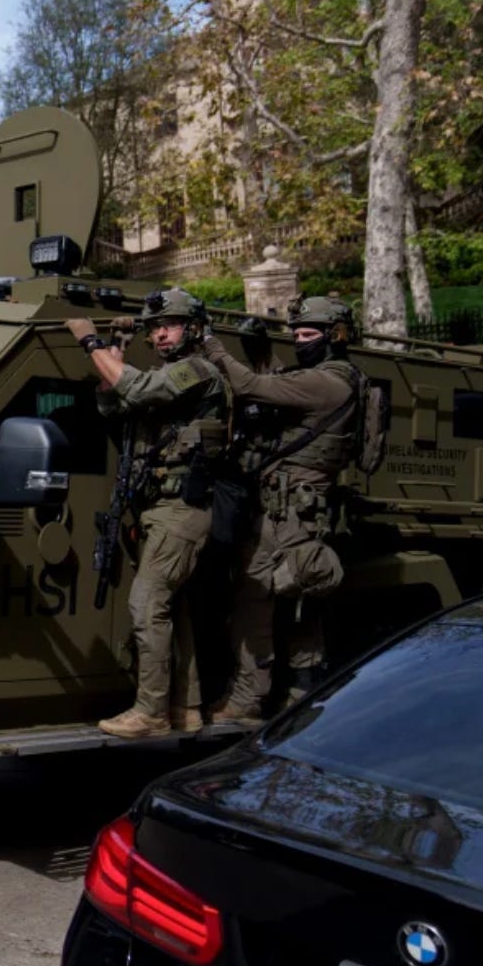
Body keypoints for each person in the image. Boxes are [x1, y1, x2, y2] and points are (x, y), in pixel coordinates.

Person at [67, 287, 230, 739]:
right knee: (174, 611)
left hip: (183, 510)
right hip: (160, 509)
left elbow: (136, 388)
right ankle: (185, 708)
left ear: (193, 329)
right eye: (155, 328)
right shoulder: (165, 375)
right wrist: (113, 352)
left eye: (170, 326)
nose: (160, 334)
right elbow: (113, 403)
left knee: (147, 603)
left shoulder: (198, 371)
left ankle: (151, 711)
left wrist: (89, 342)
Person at [201, 297, 360, 724]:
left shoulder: (326, 383)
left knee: (257, 599)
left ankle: (251, 699)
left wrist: (212, 345)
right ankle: (296, 696)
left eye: (308, 335)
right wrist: (260, 351)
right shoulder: (339, 378)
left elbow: (251, 387)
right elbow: (281, 382)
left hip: (286, 513)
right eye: (296, 335)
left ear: (335, 337)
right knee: (296, 604)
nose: (300, 342)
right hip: (300, 511)